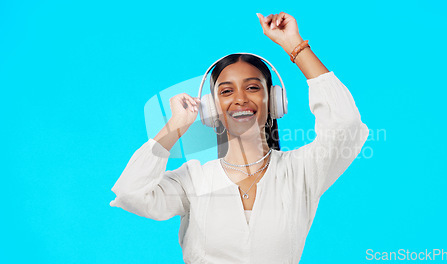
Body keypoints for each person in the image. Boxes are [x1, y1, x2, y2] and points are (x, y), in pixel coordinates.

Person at [110, 12, 369, 264]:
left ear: (274, 101)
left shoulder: (301, 171)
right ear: (212, 109)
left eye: (253, 87)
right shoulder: (193, 180)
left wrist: (295, 46)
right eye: (226, 91)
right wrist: (174, 126)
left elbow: (346, 126)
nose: (240, 98)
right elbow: (130, 193)